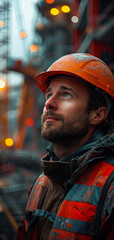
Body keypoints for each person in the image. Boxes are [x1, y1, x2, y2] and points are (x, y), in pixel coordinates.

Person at [14, 53, 114, 240]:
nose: (49, 103)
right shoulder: (41, 183)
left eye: (66, 94)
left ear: (97, 115)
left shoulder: (110, 186)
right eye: (49, 94)